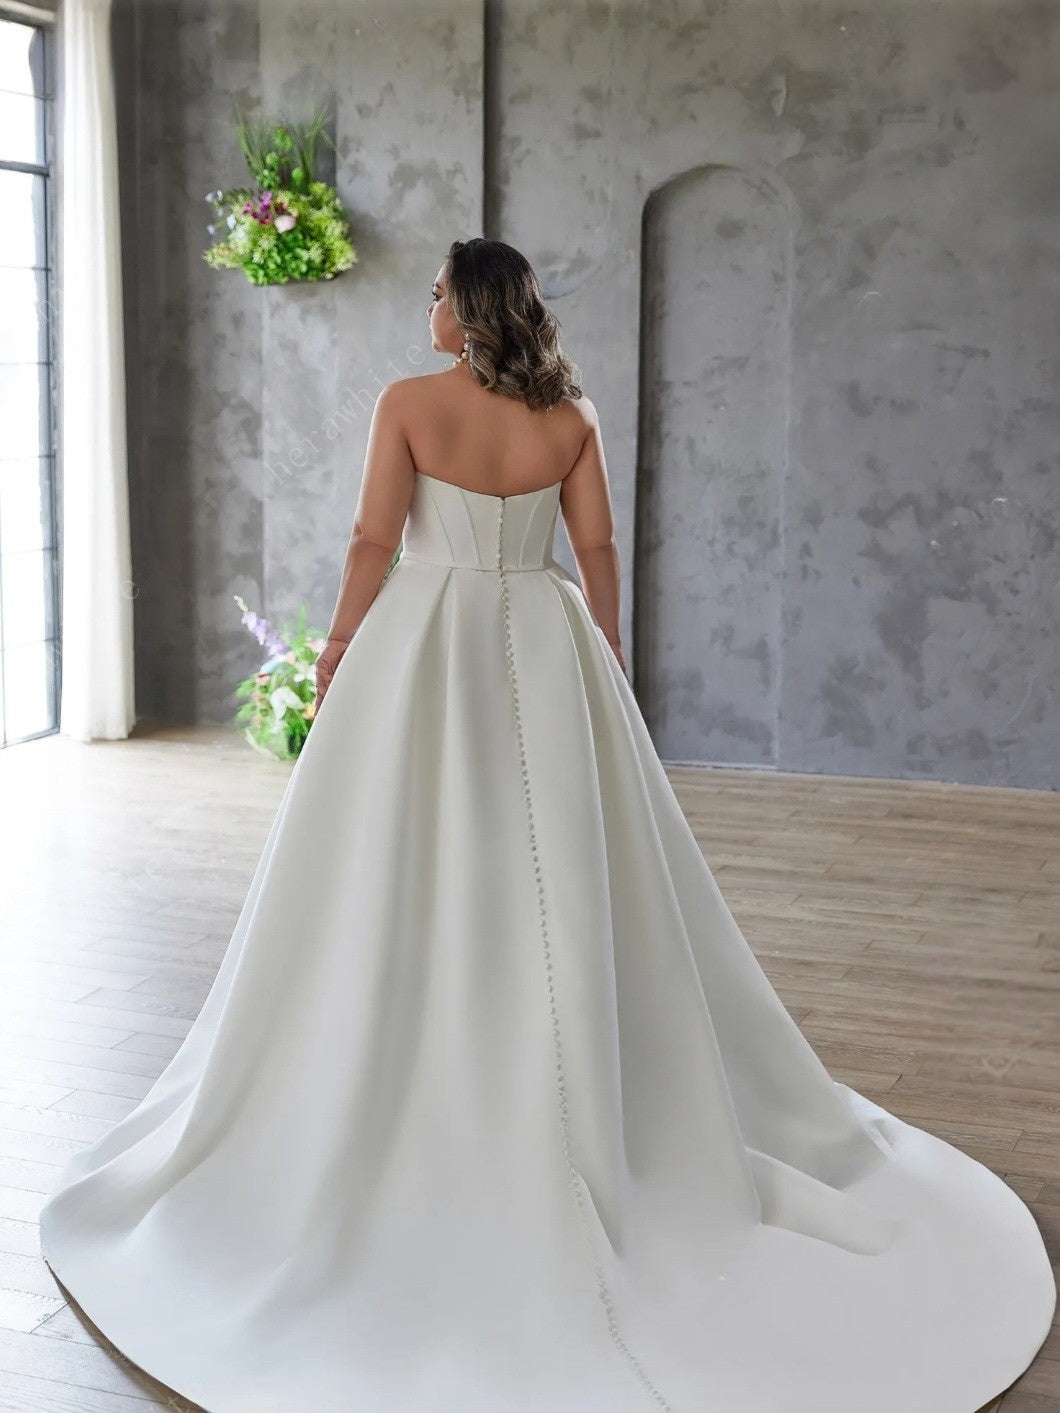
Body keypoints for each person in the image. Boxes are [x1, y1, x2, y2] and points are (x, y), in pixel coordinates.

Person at [39, 238, 1055, 1413]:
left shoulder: (409, 404)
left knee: (408, 853)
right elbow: (597, 549)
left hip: (425, 646)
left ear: (466, 309)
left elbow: (374, 540)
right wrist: (606, 653)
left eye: (433, 292)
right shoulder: (569, 416)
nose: (424, 307)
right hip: (541, 637)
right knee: (573, 859)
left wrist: (333, 651)